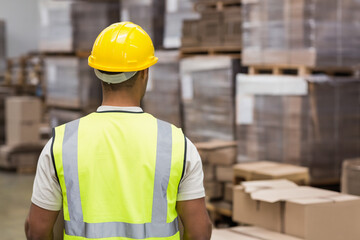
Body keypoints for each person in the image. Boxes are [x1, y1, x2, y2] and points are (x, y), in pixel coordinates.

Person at [25, 22, 212, 240]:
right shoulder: (177, 144)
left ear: (97, 72)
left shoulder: (61, 144)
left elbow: (36, 230)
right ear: (144, 73)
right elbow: (200, 231)